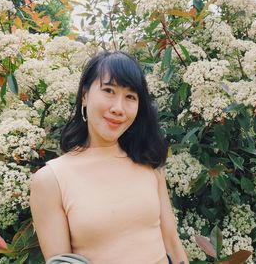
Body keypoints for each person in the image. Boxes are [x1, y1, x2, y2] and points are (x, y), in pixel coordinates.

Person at [29, 51, 189, 264]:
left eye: (130, 97)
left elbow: (172, 243)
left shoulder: (148, 164)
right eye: (109, 91)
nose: (118, 108)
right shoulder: (51, 180)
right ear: (85, 95)